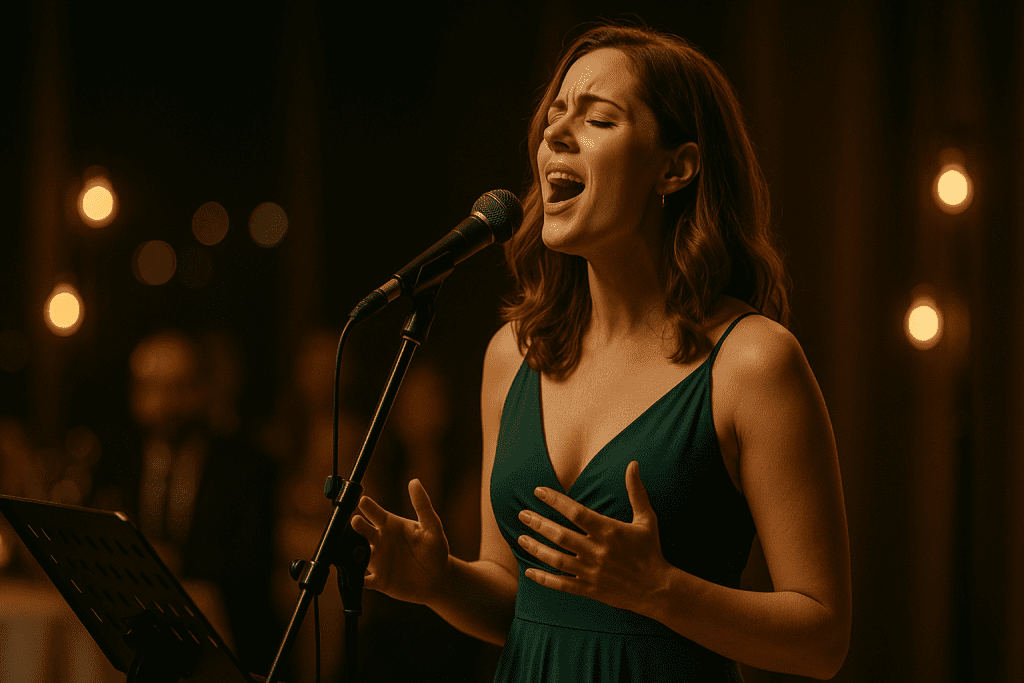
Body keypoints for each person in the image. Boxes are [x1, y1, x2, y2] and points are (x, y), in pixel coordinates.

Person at [350, 20, 851, 682]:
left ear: (676, 167)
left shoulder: (753, 362)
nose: (556, 132)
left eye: (597, 118)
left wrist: (661, 589)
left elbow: (823, 639)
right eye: (555, 113)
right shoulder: (514, 353)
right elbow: (517, 598)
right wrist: (441, 583)